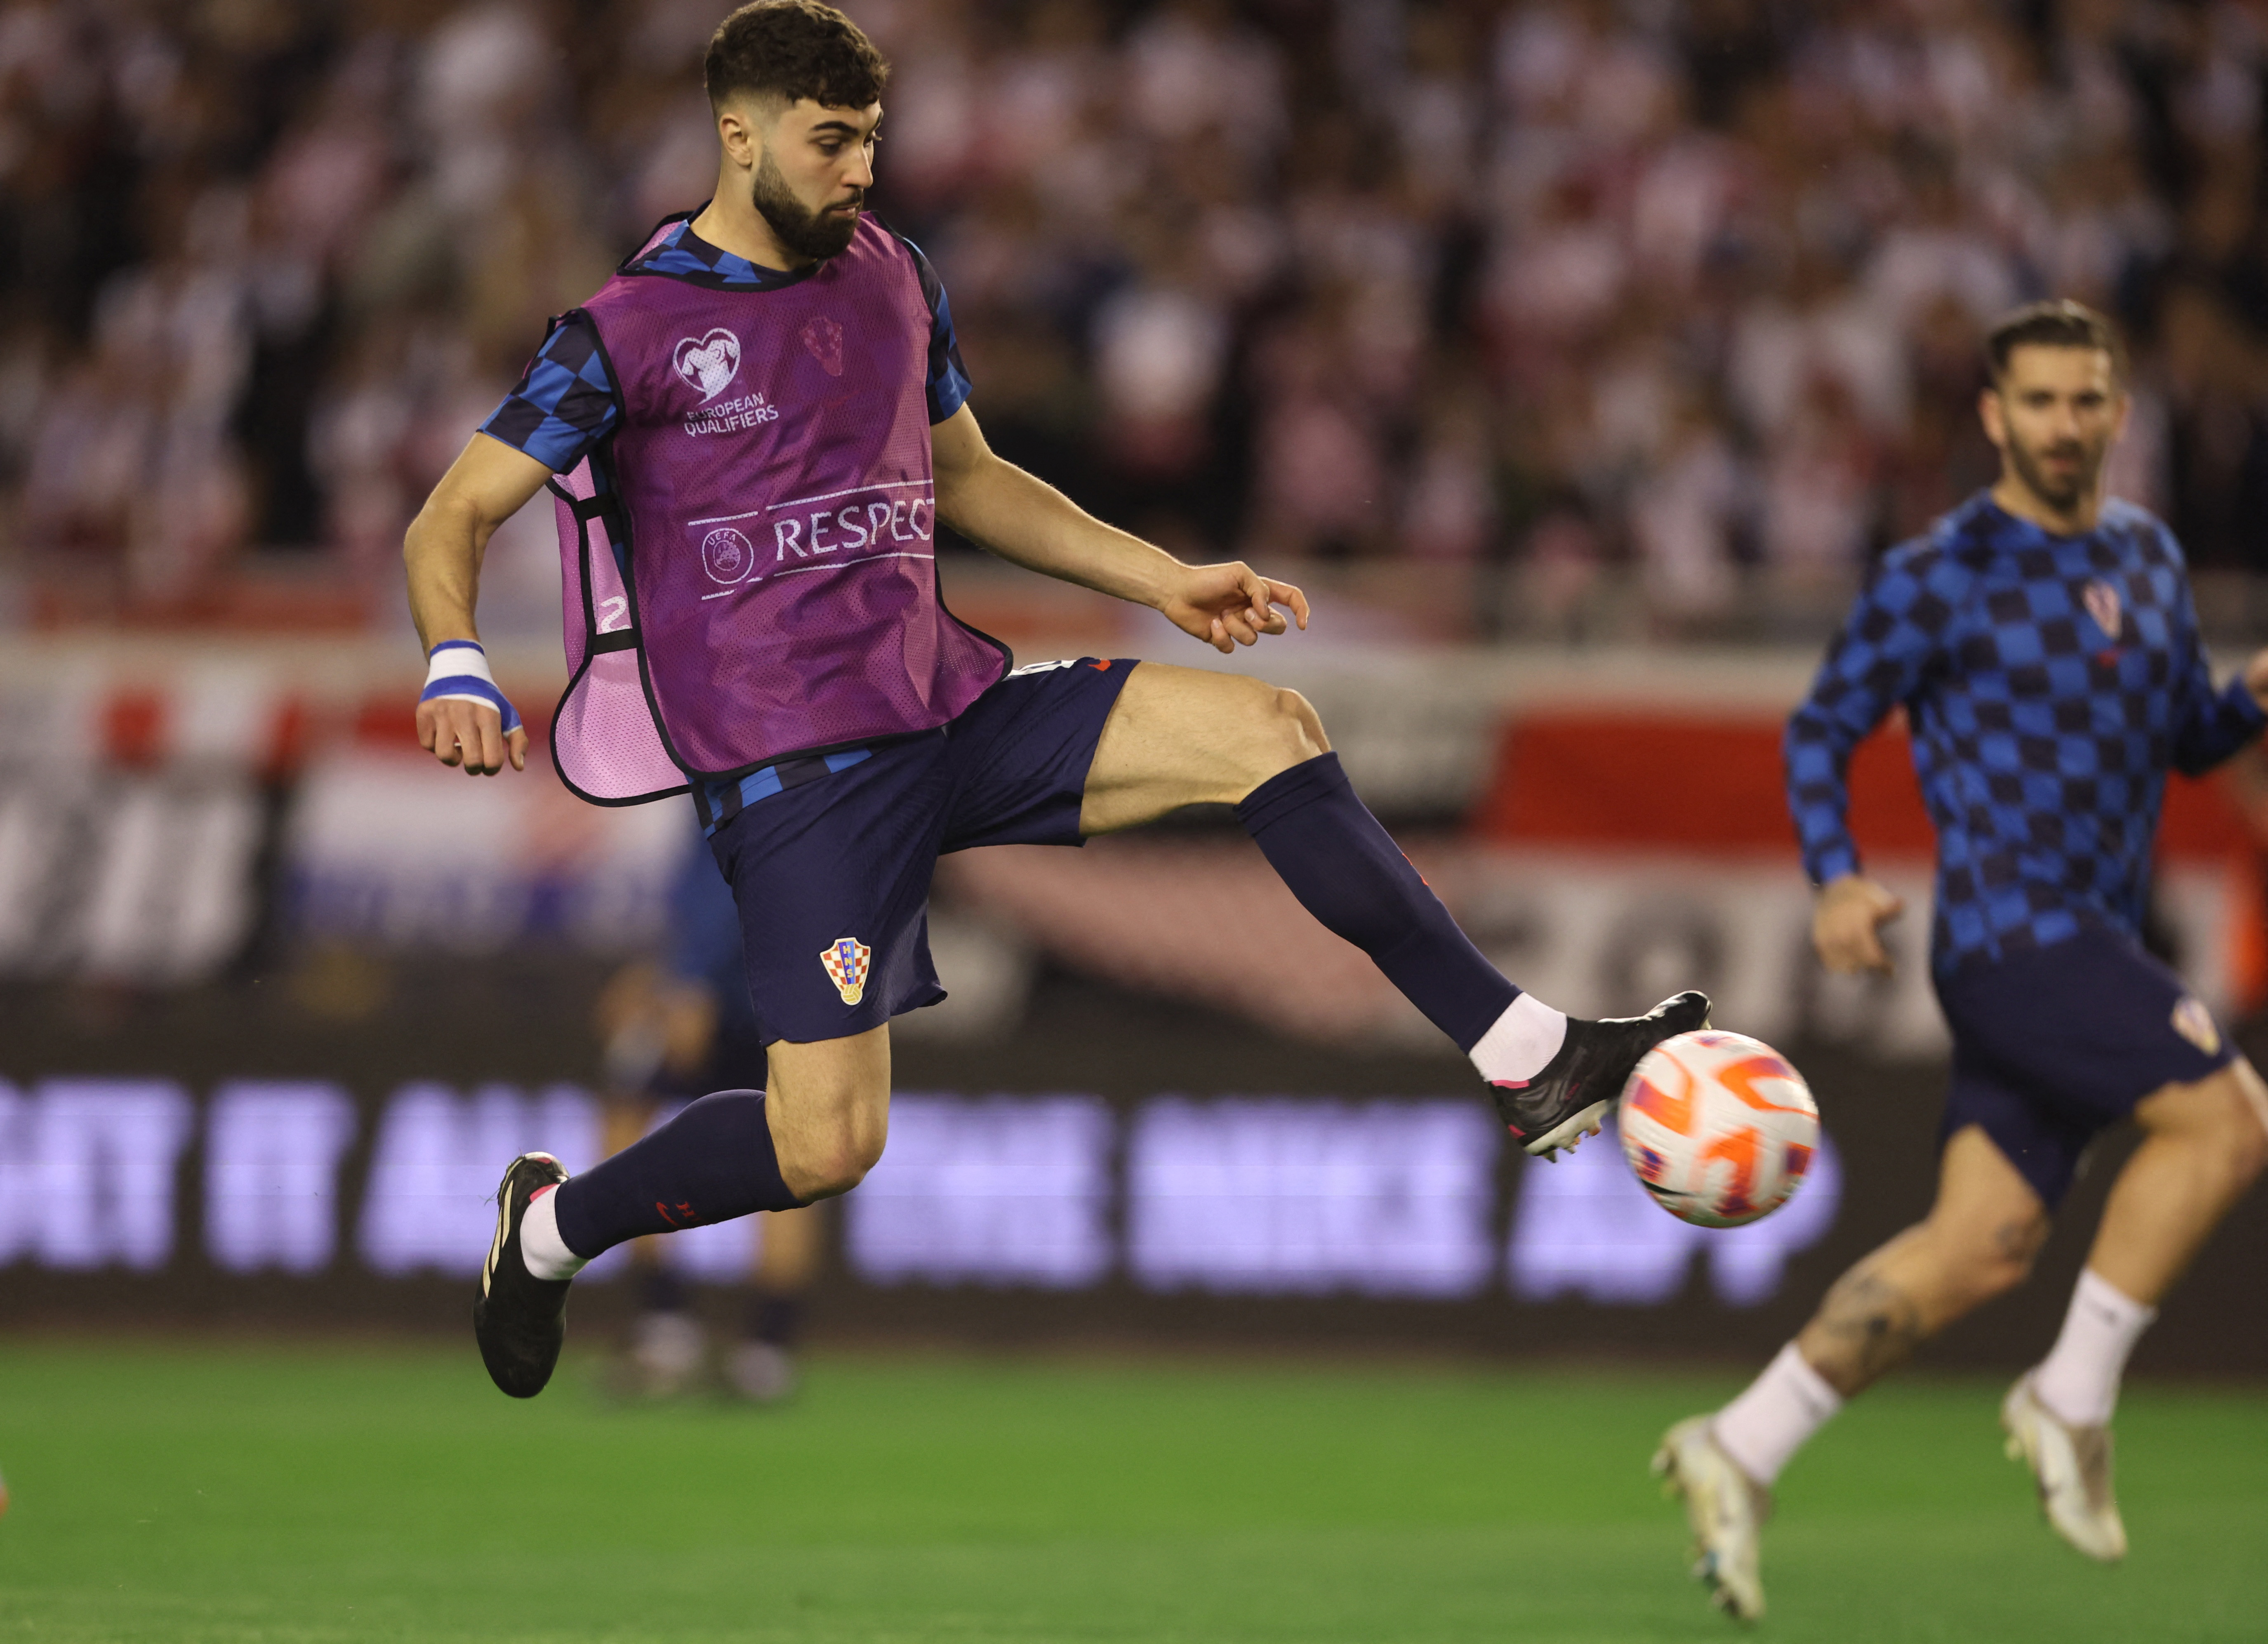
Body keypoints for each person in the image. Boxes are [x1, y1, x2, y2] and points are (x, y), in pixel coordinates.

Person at [402, 0, 1707, 1402]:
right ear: (740, 136)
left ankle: (1530, 1055)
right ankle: (548, 1232)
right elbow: (452, 517)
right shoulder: (626, 331)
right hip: (799, 780)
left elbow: (969, 478)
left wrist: (1162, 576)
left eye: (872, 144)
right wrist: (458, 658)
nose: (859, 172)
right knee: (829, 1143)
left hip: (948, 710)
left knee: (1270, 729)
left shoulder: (894, 275)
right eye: (831, 143)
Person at [1656, 300, 2268, 1621]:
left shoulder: (2149, 559)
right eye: (2038, 402)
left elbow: (2182, 741)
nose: (2063, 424)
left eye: (2086, 400)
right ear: (1992, 416)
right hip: (2011, 935)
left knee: (1979, 1244)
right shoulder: (1939, 572)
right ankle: (2069, 1396)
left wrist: (2251, 702)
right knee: (2225, 1121)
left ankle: (1739, 1443)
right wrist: (1834, 879)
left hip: (2090, 937)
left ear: (2115, 412)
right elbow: (1820, 728)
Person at [594, 819, 821, 1403]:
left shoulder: (734, 747)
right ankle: (766, 1349)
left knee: (626, 1123)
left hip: (724, 988)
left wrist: (688, 981)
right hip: (791, 983)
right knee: (789, 1160)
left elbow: (733, 878)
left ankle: (669, 1326)